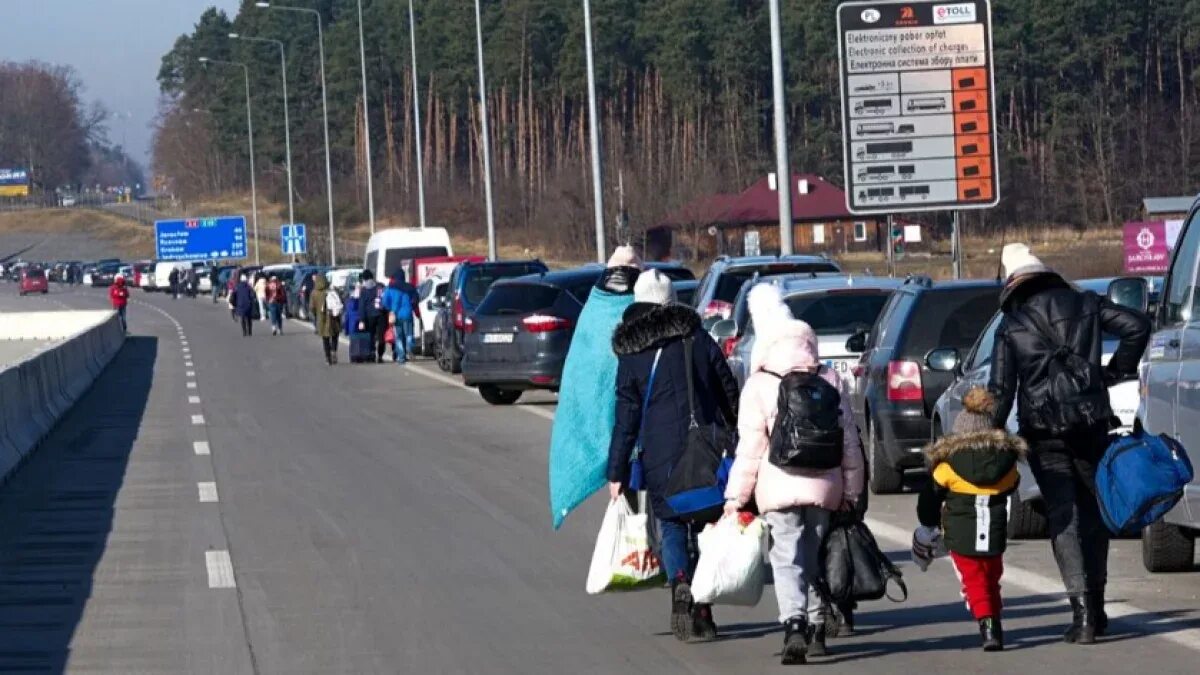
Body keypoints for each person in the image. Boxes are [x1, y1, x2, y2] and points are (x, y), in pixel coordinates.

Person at [987, 243, 1150, 645]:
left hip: (1043, 432)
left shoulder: (1011, 325)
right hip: (1092, 422)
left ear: (1011, 282)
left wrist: (989, 440)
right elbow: (1138, 326)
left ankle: (1081, 616)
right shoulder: (1085, 303)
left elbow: (1000, 390)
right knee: (1095, 513)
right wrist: (1117, 371)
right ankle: (1097, 608)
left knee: (1064, 516)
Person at [721, 283, 864, 665]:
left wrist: (735, 499)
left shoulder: (759, 385)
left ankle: (795, 625)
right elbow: (850, 442)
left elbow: (749, 450)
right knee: (815, 555)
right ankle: (818, 627)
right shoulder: (830, 379)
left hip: (778, 485)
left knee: (787, 557)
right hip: (826, 485)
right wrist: (852, 491)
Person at [607, 269, 739, 644]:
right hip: (706, 449)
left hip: (659, 456)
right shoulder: (696, 338)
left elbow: (626, 418)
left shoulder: (632, 353)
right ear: (671, 301)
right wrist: (738, 431)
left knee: (672, 523)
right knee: (708, 523)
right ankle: (704, 608)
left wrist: (616, 471)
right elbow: (727, 387)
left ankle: (679, 580)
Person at [915, 387, 1026, 652]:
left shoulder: (948, 466)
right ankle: (994, 620)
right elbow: (1013, 484)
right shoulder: (1004, 465)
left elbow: (929, 499)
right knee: (991, 577)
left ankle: (988, 625)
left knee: (974, 581)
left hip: (961, 532)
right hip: (995, 532)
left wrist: (928, 522)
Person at [382, 272, 414, 363]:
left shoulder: (390, 288)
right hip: (408, 314)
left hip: (396, 315)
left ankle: (401, 356)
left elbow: (384, 301)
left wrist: (390, 308)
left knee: (399, 337)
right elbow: (415, 298)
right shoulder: (409, 287)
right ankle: (409, 348)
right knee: (408, 334)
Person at [356, 269, 386, 363]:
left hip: (369, 316)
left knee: (370, 336)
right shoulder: (380, 287)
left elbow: (361, 306)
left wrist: (361, 320)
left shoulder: (363, 290)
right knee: (381, 336)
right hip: (381, 314)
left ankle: (372, 354)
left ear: (364, 279)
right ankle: (380, 355)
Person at [310, 275, 341, 365]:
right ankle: (334, 351)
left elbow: (312, 307)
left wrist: (316, 314)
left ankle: (328, 357)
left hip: (322, 319)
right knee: (335, 335)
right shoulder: (331, 291)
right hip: (333, 317)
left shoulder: (314, 293)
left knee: (325, 338)